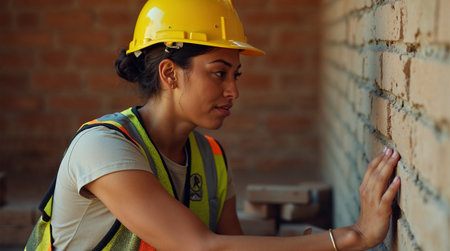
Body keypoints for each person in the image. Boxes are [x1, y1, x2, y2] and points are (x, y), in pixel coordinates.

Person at [25, 0, 401, 250]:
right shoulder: (104, 148)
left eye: (236, 74)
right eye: (219, 73)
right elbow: (201, 246)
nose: (233, 90)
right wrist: (351, 237)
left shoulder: (211, 157)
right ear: (170, 74)